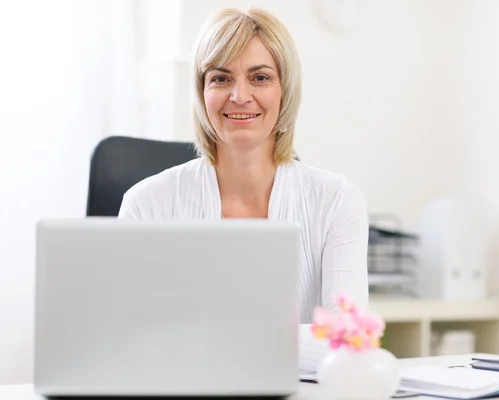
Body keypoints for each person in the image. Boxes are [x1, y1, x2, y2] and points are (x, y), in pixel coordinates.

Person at [118, 7, 369, 375]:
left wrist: (200, 343)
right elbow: (129, 342)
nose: (239, 95)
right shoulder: (146, 203)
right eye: (220, 78)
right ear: (202, 92)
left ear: (285, 90)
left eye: (260, 77)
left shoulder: (336, 201)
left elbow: (347, 343)